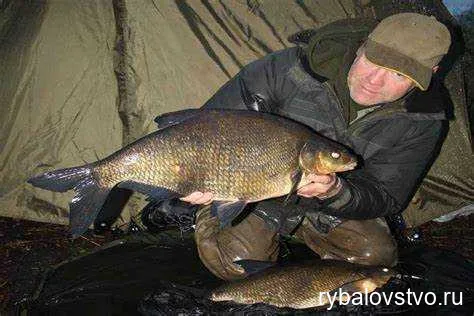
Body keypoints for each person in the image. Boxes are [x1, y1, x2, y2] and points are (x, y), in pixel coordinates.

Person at [165, 13, 453, 280]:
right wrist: (190, 182)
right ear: (361, 46)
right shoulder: (286, 71)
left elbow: (386, 194)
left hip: (326, 206)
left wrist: (336, 192)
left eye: (399, 75)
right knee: (239, 264)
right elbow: (201, 132)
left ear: (430, 73)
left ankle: (305, 285)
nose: (374, 81)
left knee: (373, 264)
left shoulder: (423, 120)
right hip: (249, 189)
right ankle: (209, 222)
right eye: (373, 61)